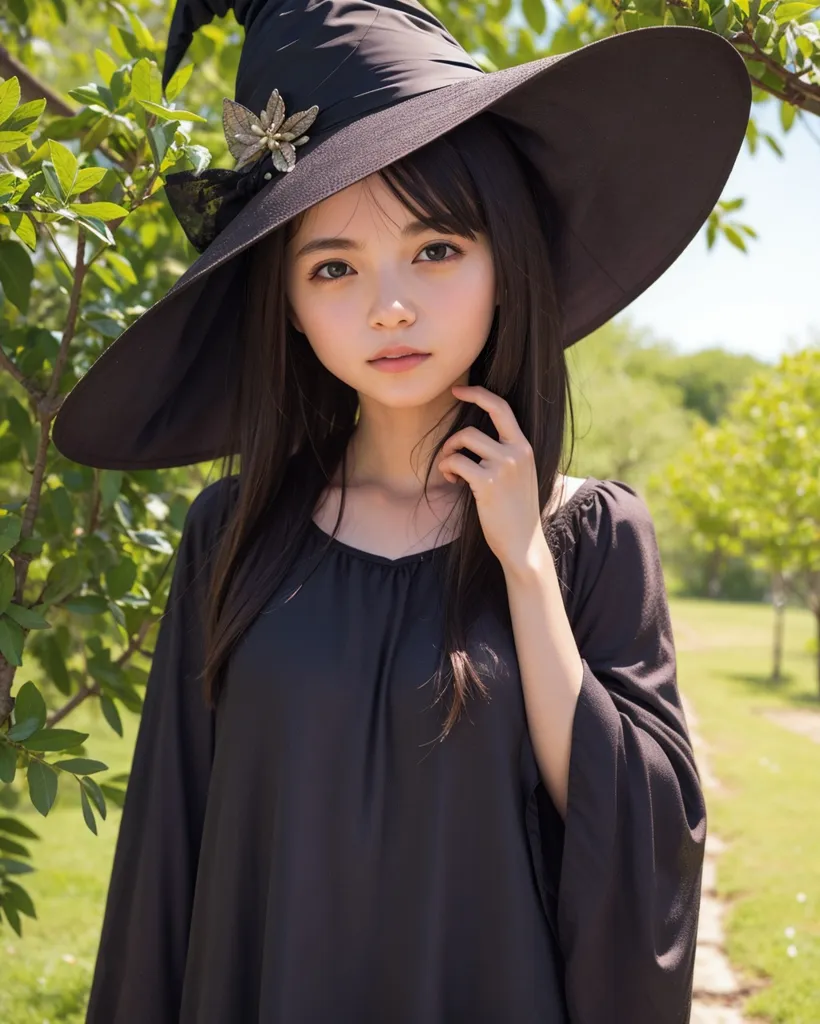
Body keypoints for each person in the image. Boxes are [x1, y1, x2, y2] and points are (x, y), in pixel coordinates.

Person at [52, 2, 752, 1021]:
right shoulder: (231, 534)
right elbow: (169, 858)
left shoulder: (591, 535)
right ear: (287, 302)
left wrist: (521, 564)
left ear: (503, 260)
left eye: (435, 249)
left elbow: (640, 835)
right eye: (334, 265)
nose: (390, 305)